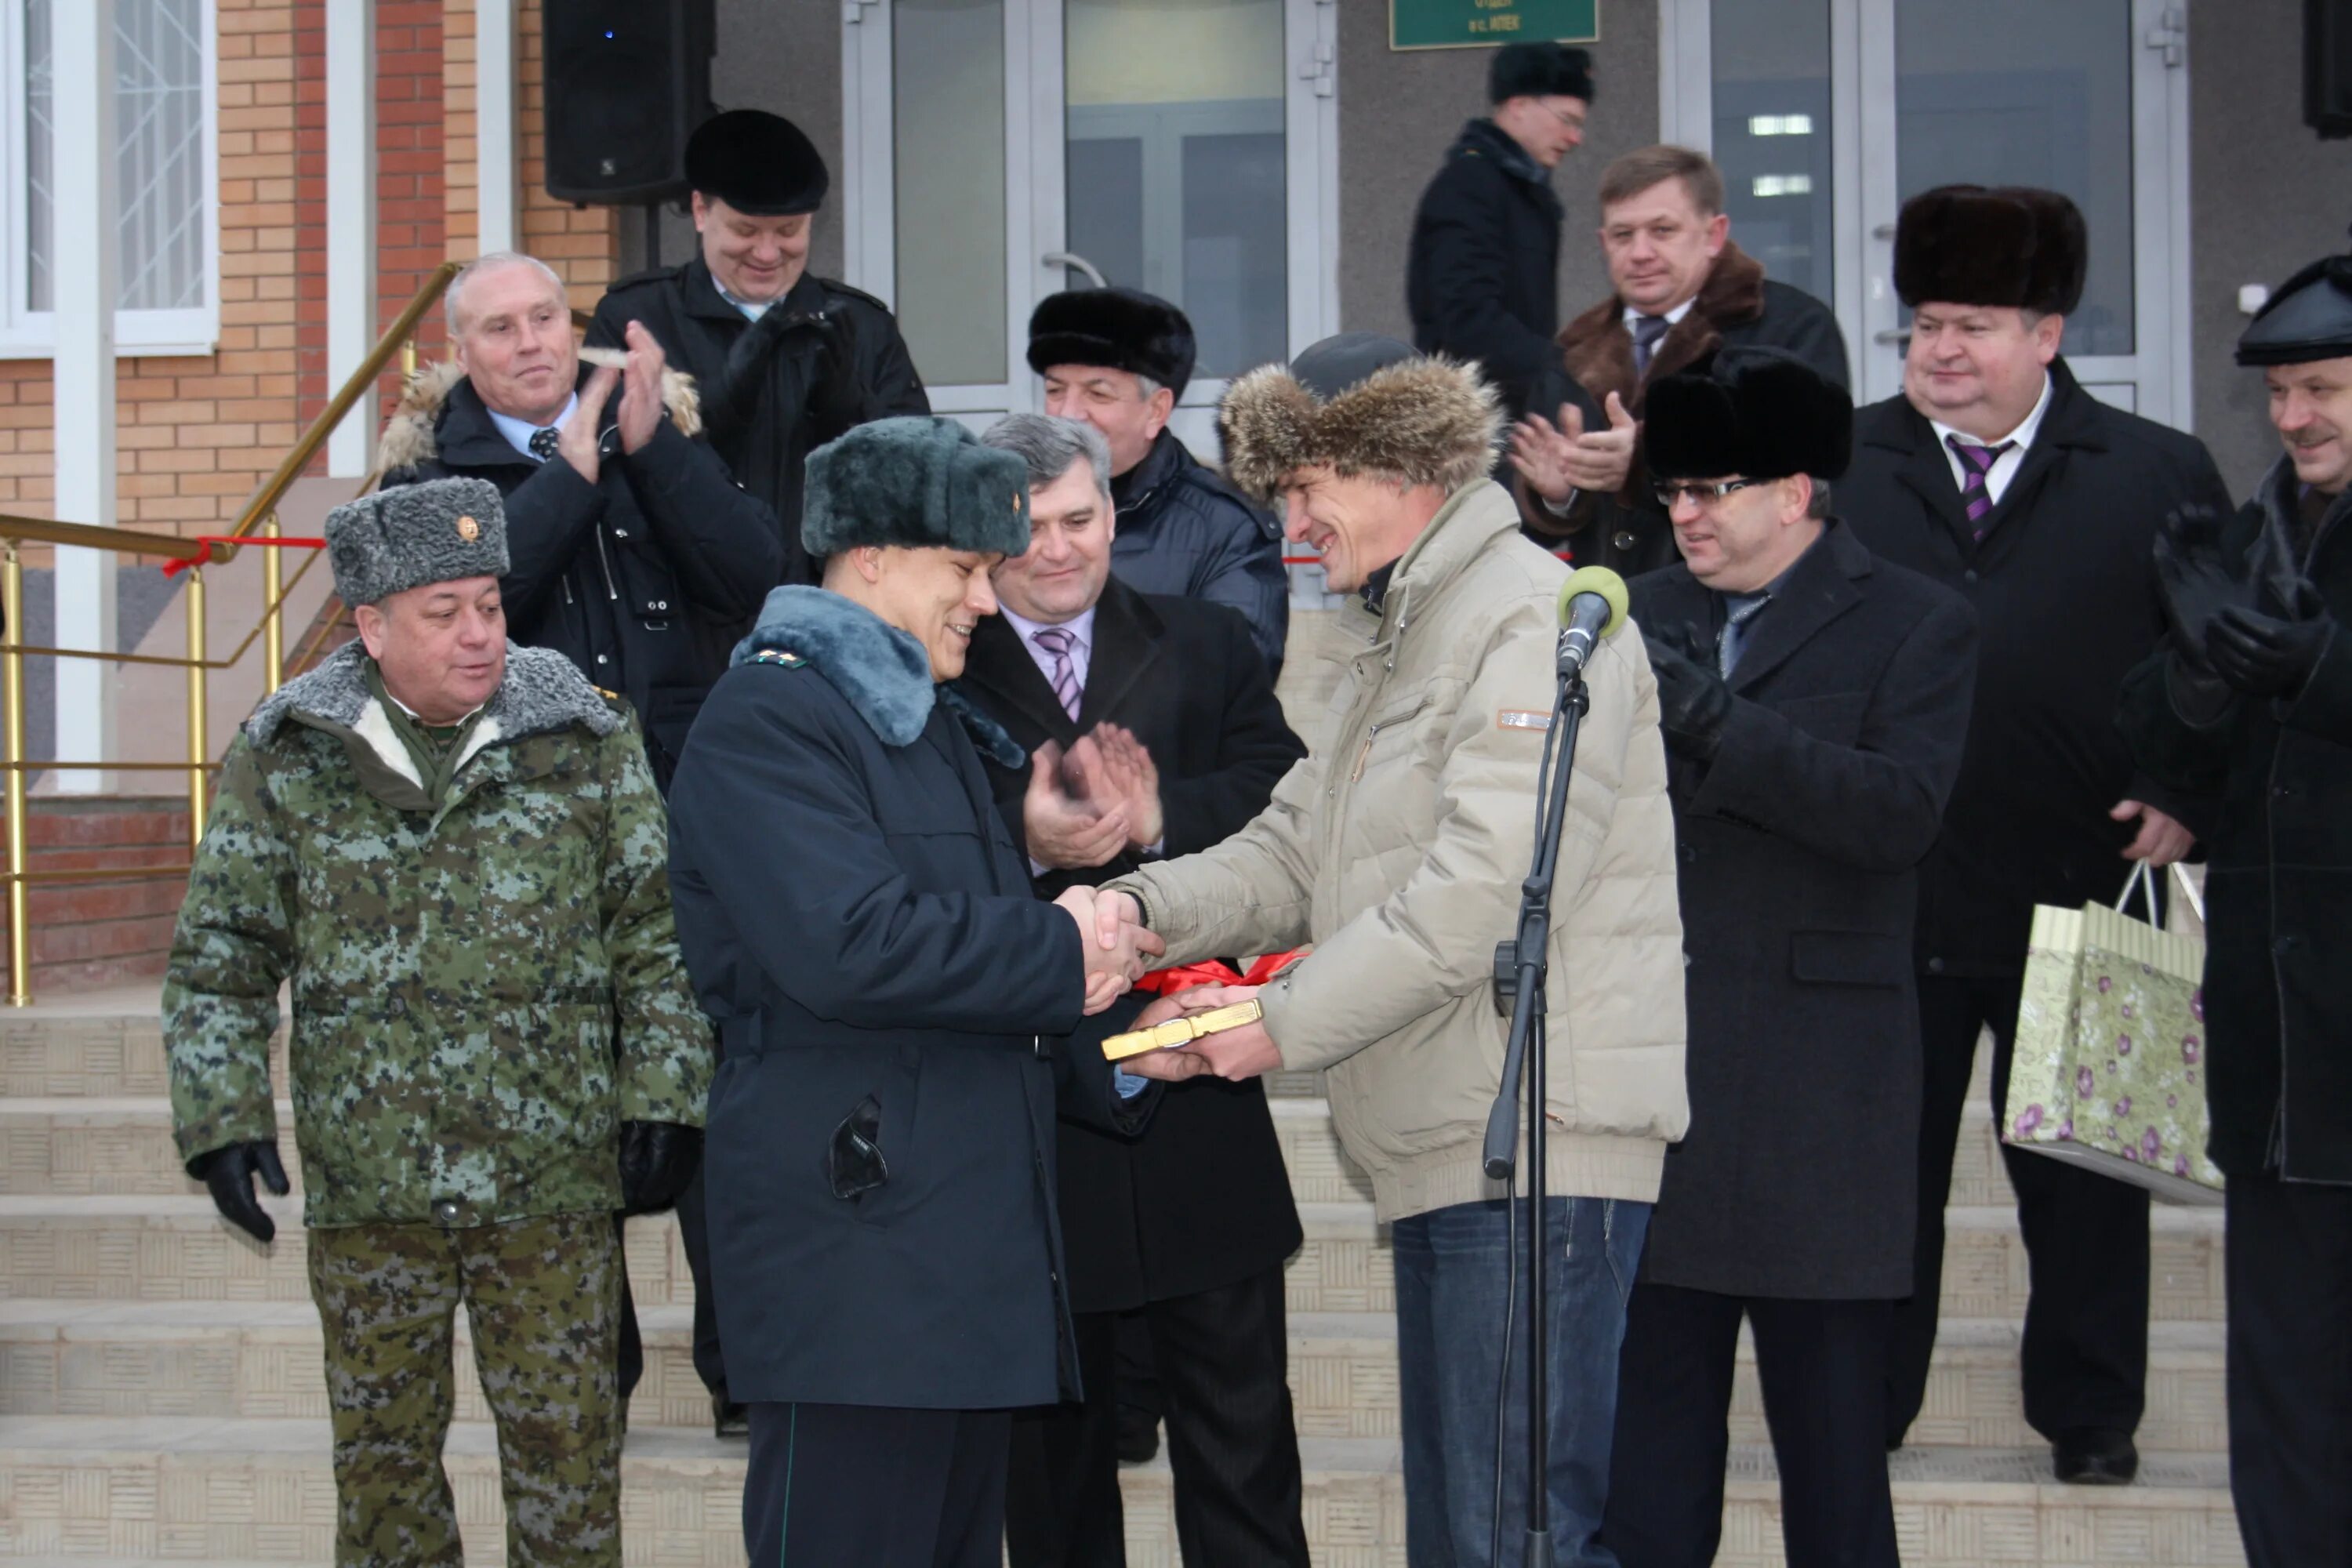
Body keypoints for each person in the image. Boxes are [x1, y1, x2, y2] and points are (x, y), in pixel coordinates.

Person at [1082, 333, 1690, 1564]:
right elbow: (1295, 856)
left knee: (1510, 1537)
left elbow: (1482, 888)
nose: (1292, 525)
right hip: (1451, 1134)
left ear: (1403, 460)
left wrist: (1276, 1024)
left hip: (1538, 1143)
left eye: (1309, 489)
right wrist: (1135, 912)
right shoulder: (1398, 634)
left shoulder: (1525, 620)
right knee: (1466, 1537)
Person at [663, 416, 1209, 1568]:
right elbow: (854, 945)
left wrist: (1118, 1047)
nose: (985, 595)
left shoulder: (916, 721)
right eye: (963, 567)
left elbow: (979, 976)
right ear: (867, 557)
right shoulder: (772, 716)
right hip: (857, 1266)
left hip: (951, 1265)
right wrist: (1064, 950)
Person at [162, 477, 713, 1568]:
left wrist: (664, 1095)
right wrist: (221, 1118)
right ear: (370, 626)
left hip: (549, 1178)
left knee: (568, 1466)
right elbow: (221, 954)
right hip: (377, 1187)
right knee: (383, 1477)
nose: (479, 635)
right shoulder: (291, 755)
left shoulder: (582, 738)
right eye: (443, 612)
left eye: (491, 605)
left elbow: (656, 932)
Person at [1838, 184, 2232, 1485]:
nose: (1943, 349)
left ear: (2048, 333)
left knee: (2085, 1180)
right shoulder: (1850, 466)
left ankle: (2091, 1415)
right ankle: (1868, 1404)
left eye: (1977, 323)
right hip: (1893, 886)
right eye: (1926, 324)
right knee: (1879, 1174)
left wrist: (2188, 784)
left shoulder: (2157, 471)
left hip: (2088, 881)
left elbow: (2217, 655)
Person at [1600, 348, 1976, 1568]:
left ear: (1797, 494)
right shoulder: (1636, 612)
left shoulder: (1919, 622)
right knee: (1649, 1481)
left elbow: (1897, 814)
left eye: (1711, 490)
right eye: (1672, 492)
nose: (1685, 515)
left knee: (1834, 1478)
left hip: (1824, 1104)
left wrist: (1721, 725)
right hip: (1658, 1085)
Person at [959, 413, 1309, 1568]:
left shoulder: (1205, 641)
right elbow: (912, 861)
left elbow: (1290, 807)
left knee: (1244, 1440)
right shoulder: (940, 671)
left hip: (1198, 1082)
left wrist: (1164, 822)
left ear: (1114, 515)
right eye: (1028, 528)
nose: (1059, 551)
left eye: (1080, 520)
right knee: (1055, 1472)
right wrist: (1031, 849)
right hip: (1034, 1111)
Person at [2117, 234, 2352, 1568]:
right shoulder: (2262, 528)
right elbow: (2164, 740)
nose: (2293, 418)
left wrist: (2319, 665)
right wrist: (2200, 676)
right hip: (2278, 1052)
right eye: (2278, 395)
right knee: (2285, 1378)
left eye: (2322, 388)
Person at [378, 249, 783, 790]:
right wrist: (566, 482)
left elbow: (753, 577)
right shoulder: (425, 472)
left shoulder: (651, 427)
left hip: (684, 786)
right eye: (500, 328)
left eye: (545, 318)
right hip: (520, 801)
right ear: (463, 355)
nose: (530, 342)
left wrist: (655, 450)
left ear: (569, 330)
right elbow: (445, 630)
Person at [590, 108, 931, 579]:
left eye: (789, 232)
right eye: (746, 231)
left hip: (827, 601)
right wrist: (719, 403)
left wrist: (846, 412)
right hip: (685, 607)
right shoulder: (638, 319)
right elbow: (612, 477)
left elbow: (917, 484)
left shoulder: (863, 326)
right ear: (700, 211)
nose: (768, 254)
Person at [1511, 145, 1849, 578]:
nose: (1640, 252)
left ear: (1714, 235)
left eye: (1663, 230)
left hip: (1747, 606)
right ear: (1602, 243)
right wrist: (1558, 496)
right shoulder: (1572, 349)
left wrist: (1644, 461)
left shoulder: (1792, 326)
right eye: (1622, 235)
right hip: (1617, 619)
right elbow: (1533, 525)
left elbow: (1814, 473)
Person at [1029, 287, 1288, 677]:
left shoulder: (1226, 528)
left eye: (1097, 394)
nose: (1068, 414)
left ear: (1156, 410)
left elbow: (1234, 680)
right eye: (1055, 390)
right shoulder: (1008, 502)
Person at [1406, 42, 1595, 426]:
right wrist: (1561, 369)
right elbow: (1467, 320)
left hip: (1514, 412)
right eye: (1567, 119)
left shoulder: (1521, 191)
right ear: (1519, 105)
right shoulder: (1470, 187)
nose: (1576, 138)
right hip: (1476, 425)